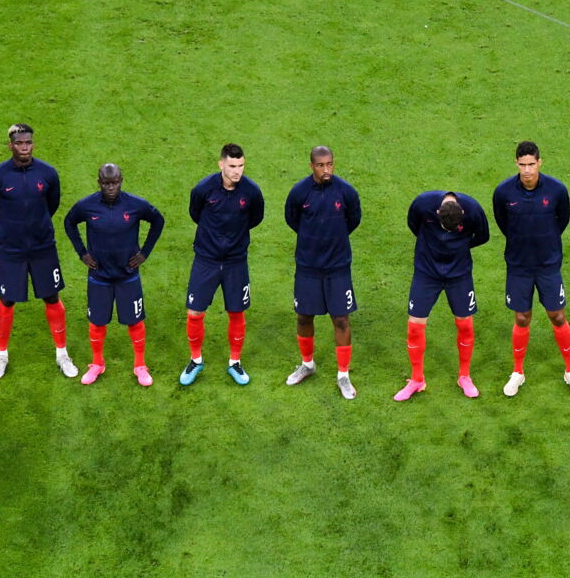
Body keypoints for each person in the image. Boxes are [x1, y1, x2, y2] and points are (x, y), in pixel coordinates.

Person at [0, 124, 74, 379]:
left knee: (52, 297)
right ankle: (1, 355)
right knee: (7, 300)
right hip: (11, 250)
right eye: (20, 143)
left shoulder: (47, 173)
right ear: (10, 145)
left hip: (43, 248)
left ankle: (62, 354)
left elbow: (51, 204)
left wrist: (36, 225)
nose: (25, 147)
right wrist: (12, 227)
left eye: (28, 142)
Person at [492, 141, 570, 396]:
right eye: (522, 165)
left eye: (531, 164)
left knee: (557, 316)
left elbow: (562, 219)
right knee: (522, 318)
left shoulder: (556, 190)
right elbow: (503, 222)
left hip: (548, 265)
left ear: (540, 162)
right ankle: (518, 373)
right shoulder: (503, 192)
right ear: (516, 164)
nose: (527, 170)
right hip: (519, 266)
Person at [63, 163, 165, 387]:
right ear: (99, 182)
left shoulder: (135, 205)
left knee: (135, 322)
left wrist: (144, 252)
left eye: (115, 182)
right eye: (106, 183)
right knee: (97, 323)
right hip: (99, 276)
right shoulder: (87, 206)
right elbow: (69, 222)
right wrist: (82, 253)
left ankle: (140, 365)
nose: (111, 187)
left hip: (128, 275)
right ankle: (97, 364)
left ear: (121, 181)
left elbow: (158, 220)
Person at [179, 143, 264, 386]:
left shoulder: (252, 192)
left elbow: (255, 218)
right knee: (195, 312)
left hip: (236, 261)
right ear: (221, 165)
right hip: (206, 260)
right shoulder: (204, 189)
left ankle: (234, 362)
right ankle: (196, 360)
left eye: (241, 166)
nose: (237, 171)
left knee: (236, 312)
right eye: (232, 166)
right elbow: (195, 213)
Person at [395, 190, 489, 401]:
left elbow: (483, 236)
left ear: (462, 214)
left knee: (465, 324)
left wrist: (461, 245)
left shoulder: (473, 210)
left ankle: (464, 376)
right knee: (414, 326)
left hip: (459, 274)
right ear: (437, 213)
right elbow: (414, 225)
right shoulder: (422, 203)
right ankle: (417, 379)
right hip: (426, 273)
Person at [284, 145, 361, 399]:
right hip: (308, 267)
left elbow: (354, 220)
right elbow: (292, 220)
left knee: (341, 319)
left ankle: (343, 376)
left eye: (330, 164)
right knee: (304, 316)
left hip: (338, 267)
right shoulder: (299, 192)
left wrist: (334, 238)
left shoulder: (346, 191)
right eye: (320, 165)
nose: (326, 169)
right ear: (311, 166)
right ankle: (307, 364)